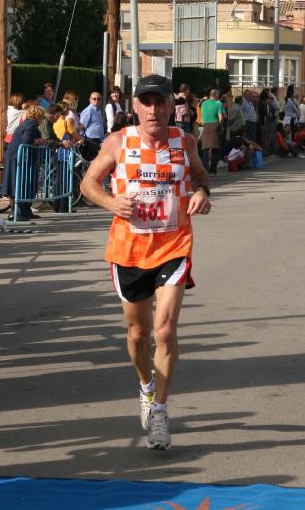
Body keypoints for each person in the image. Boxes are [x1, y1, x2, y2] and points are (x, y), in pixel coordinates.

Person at [80, 74, 212, 450]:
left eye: (160, 102)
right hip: (129, 250)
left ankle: (160, 411)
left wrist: (202, 191)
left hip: (174, 245)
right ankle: (146, 386)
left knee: (165, 331)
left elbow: (200, 174)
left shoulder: (185, 141)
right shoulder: (118, 142)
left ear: (171, 105)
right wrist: (111, 202)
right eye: (146, 102)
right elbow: (88, 184)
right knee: (138, 334)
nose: (153, 109)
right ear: (135, 106)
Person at [1, 105, 47, 221]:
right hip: (18, 158)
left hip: (16, 156)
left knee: (20, 184)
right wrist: (40, 140)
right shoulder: (31, 125)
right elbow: (27, 140)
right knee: (19, 185)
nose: (43, 120)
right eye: (43, 117)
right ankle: (16, 212)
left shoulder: (26, 123)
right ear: (38, 116)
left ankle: (25, 211)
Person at [200, 87, 225, 173]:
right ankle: (213, 169)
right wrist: (220, 126)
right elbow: (221, 118)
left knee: (205, 149)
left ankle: (205, 169)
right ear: (215, 94)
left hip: (205, 126)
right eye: (218, 94)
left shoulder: (203, 104)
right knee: (216, 149)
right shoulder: (218, 104)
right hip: (215, 126)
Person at [79, 91, 105, 160]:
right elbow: (81, 126)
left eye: (98, 99)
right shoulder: (89, 110)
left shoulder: (98, 111)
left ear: (101, 101)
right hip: (90, 141)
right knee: (91, 162)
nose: (96, 100)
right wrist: (81, 139)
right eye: (94, 99)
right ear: (90, 100)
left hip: (97, 141)